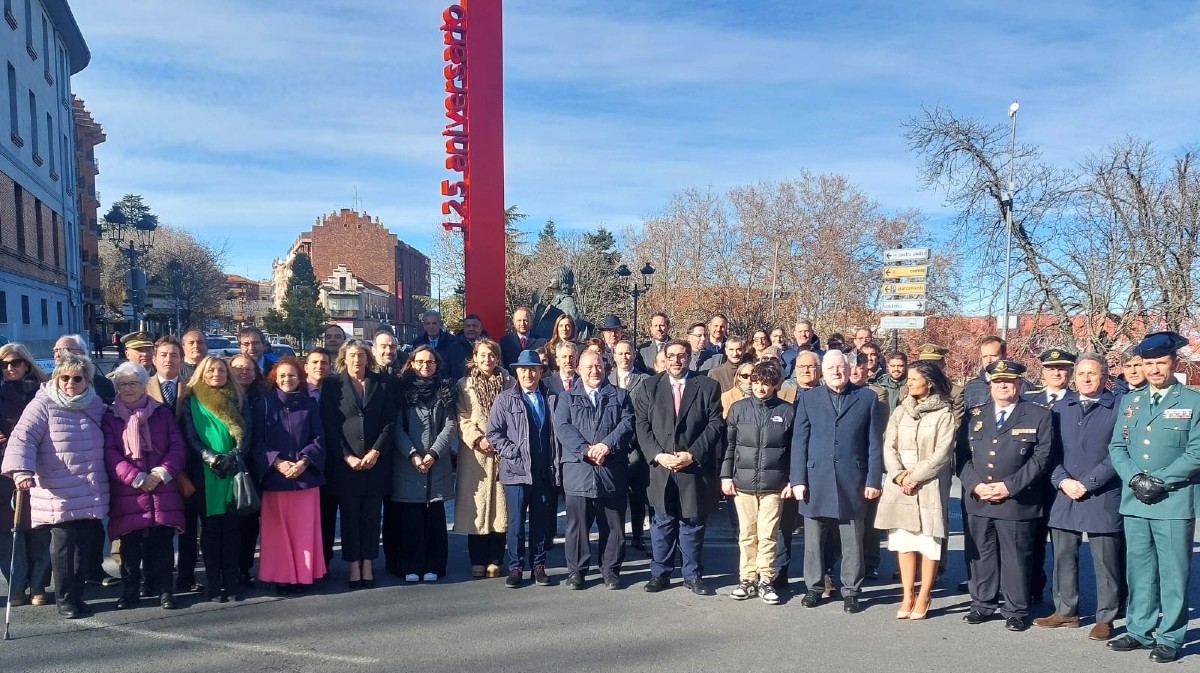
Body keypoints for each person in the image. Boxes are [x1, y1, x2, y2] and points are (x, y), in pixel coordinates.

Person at [1106, 332, 1200, 663]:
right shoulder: (1130, 402)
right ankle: (1138, 630)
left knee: (1173, 572)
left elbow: (1197, 451)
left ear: (1174, 362)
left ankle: (1170, 636)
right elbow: (1117, 446)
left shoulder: (1193, 401)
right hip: (1135, 500)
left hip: (1173, 500)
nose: (1155, 369)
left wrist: (1159, 480)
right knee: (1139, 569)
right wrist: (1134, 478)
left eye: (1161, 362)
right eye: (1149, 363)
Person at [2, 353, 109, 619]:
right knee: (63, 546)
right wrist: (21, 472)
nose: (70, 382)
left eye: (77, 378)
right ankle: (65, 601)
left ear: (87, 380)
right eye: (65, 377)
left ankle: (78, 596)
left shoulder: (96, 405)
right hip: (56, 489)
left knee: (84, 548)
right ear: (56, 378)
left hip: (88, 487)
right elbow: (22, 439)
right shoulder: (43, 404)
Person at [957, 359, 1053, 632]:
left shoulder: (1038, 414)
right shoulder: (974, 415)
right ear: (990, 385)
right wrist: (975, 485)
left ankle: (1015, 609)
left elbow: (1041, 458)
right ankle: (982, 605)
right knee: (981, 556)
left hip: (1016, 500)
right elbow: (961, 457)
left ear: (1019, 384)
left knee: (1016, 558)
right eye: (998, 382)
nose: (1003, 386)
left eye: (1008, 382)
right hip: (979, 498)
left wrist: (1009, 487)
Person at [1033, 354, 1122, 640]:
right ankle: (1066, 610)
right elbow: (1048, 452)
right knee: (1062, 555)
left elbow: (1119, 452)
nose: (1085, 378)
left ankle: (1106, 616)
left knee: (1105, 560)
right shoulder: (1061, 407)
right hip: (1064, 492)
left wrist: (1088, 483)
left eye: (1092, 374)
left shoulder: (1119, 407)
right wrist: (1062, 481)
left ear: (1104, 376)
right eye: (1081, 373)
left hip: (1102, 493)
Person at [790, 350, 884, 614]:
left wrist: (873, 478)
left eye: (840, 367)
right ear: (822, 371)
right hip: (815, 477)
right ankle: (814, 587)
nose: (836, 372)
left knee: (853, 538)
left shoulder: (867, 398)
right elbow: (800, 441)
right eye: (830, 368)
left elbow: (874, 443)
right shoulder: (809, 399)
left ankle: (851, 590)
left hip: (852, 479)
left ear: (848, 368)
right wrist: (797, 479)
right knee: (814, 539)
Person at [634, 338, 723, 596]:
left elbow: (716, 424)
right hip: (661, 468)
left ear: (689, 357)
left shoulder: (708, 386)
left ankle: (692, 575)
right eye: (671, 355)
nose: (676, 360)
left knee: (692, 523)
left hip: (693, 468)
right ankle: (659, 573)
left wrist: (693, 454)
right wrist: (658, 456)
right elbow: (641, 425)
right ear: (664, 357)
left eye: (681, 355)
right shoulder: (649, 387)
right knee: (662, 522)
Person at [874, 360, 956, 620]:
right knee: (905, 542)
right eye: (907, 380)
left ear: (929, 382)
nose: (908, 384)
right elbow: (890, 445)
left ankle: (924, 595)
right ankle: (908, 593)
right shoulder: (900, 411)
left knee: (928, 542)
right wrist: (899, 475)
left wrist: (916, 477)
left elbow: (942, 454)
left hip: (929, 485)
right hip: (901, 487)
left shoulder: (944, 413)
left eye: (913, 379)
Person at [102, 361, 187, 610]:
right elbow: (109, 453)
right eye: (122, 384)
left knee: (161, 545)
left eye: (133, 383)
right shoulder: (110, 416)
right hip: (128, 491)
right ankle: (130, 592)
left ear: (143, 385)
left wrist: (161, 473)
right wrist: (136, 477)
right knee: (129, 547)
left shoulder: (161, 412)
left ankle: (164, 591)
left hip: (162, 488)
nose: (128, 389)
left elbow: (177, 446)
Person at [555, 349, 634, 590]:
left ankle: (610, 570)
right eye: (588, 367)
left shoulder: (620, 396)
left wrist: (606, 446)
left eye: (598, 366)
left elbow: (628, 423)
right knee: (577, 526)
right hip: (579, 470)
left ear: (605, 367)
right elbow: (562, 427)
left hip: (611, 470)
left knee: (613, 525)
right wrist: (586, 449)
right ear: (579, 369)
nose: (594, 371)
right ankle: (577, 571)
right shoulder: (566, 398)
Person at [251, 355, 327, 595]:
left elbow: (319, 438)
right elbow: (257, 442)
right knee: (278, 534)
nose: (287, 379)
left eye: (292, 375)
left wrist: (304, 461)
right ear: (274, 378)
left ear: (299, 378)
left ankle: (302, 575)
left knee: (304, 531)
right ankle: (282, 576)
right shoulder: (262, 405)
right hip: (276, 478)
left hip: (305, 478)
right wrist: (278, 463)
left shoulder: (310, 404)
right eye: (282, 375)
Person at [321, 340, 394, 589]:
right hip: (345, 465)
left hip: (375, 463)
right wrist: (346, 456)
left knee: (372, 517)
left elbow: (389, 421)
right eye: (352, 355)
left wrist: (376, 451)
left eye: (361, 355)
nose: (357, 360)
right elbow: (329, 425)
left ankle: (368, 564)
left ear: (367, 358)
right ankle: (353, 565)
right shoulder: (332, 385)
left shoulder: (381, 383)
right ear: (344, 358)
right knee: (350, 517)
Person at [721, 360, 793, 605]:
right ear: (751, 382)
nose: (762, 388)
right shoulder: (738, 409)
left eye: (767, 384)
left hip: (774, 485)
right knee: (747, 534)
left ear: (775, 385)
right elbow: (729, 445)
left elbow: (792, 450)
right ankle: (747, 579)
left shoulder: (786, 411)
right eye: (757, 382)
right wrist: (725, 476)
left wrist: (791, 480)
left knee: (768, 534)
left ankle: (766, 580)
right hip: (743, 484)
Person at [384, 346, 456, 583]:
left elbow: (450, 425)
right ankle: (411, 564)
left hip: (437, 462)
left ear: (437, 364)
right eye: (421, 361)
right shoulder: (401, 390)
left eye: (431, 362)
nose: (426, 366)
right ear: (412, 363)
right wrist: (413, 454)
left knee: (435, 518)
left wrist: (434, 453)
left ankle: (435, 564)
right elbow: (396, 427)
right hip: (408, 464)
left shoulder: (445, 390)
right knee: (411, 519)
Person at [487, 350, 558, 588]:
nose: (528, 374)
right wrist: (512, 451)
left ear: (540, 371)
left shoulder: (552, 397)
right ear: (517, 372)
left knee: (540, 522)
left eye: (533, 369)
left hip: (544, 470)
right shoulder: (505, 399)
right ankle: (516, 566)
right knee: (516, 524)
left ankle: (538, 565)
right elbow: (493, 433)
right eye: (523, 369)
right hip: (516, 472)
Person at [181, 356, 248, 603]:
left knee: (231, 531)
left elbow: (246, 433)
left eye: (221, 370)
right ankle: (213, 584)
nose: (216, 374)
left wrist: (231, 456)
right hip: (206, 474)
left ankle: (231, 583)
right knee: (210, 533)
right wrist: (211, 458)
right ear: (202, 372)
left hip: (232, 473)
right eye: (211, 370)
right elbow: (190, 435)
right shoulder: (191, 399)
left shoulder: (238, 398)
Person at [146, 338, 202, 596]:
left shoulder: (193, 389)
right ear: (154, 359)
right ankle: (155, 579)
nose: (169, 360)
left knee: (188, 527)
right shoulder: (140, 388)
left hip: (187, 469)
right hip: (153, 470)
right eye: (164, 355)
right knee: (156, 528)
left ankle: (186, 576)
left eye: (174, 355)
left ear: (182, 360)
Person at [455, 338, 513, 578]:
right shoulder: (464, 384)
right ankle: (477, 558)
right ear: (475, 358)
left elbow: (514, 413)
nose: (487, 359)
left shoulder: (509, 382)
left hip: (502, 452)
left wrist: (499, 439)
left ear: (497, 357)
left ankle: (495, 558)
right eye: (482, 355)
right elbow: (461, 415)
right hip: (475, 456)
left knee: (500, 508)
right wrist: (478, 439)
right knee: (476, 507)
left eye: (492, 355)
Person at [0, 342, 51, 607]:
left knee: (39, 527)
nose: (10, 369)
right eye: (4, 364)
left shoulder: (42, 393)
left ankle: (39, 584)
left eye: (15, 363)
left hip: (39, 467)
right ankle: (16, 585)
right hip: (4, 472)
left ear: (27, 363)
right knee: (8, 531)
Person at [609, 340, 651, 551]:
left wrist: (633, 439)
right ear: (613, 356)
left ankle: (637, 535)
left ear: (634, 355)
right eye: (620, 353)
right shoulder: (606, 380)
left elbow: (645, 415)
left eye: (628, 353)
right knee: (615, 493)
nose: (624, 357)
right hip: (611, 447)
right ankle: (616, 535)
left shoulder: (645, 380)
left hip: (636, 447)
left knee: (637, 494)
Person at [55, 334, 114, 405]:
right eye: (55, 350)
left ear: (81, 353)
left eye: (63, 350)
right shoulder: (46, 383)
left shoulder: (104, 385)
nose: (57, 355)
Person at [411, 310, 470, 381]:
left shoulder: (453, 342)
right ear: (424, 326)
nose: (431, 326)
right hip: (423, 384)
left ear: (440, 324)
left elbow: (457, 369)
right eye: (428, 324)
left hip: (445, 385)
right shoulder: (417, 344)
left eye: (434, 323)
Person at [963, 336, 1006, 409]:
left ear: (1004, 356)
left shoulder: (1019, 386)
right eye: (985, 356)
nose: (989, 360)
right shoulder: (971, 387)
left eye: (993, 355)